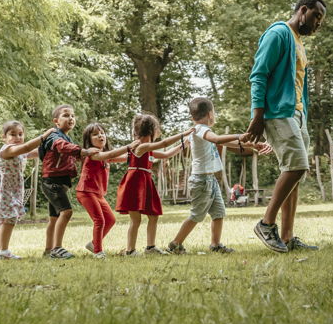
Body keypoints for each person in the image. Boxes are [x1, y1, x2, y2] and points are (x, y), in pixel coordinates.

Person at [243, 0, 326, 253]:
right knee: (297, 165)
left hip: (296, 113)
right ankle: (266, 224)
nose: (318, 23)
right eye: (316, 16)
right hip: (277, 112)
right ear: (303, 10)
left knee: (296, 173)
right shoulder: (278, 33)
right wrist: (258, 115)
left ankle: (288, 236)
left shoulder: (298, 41)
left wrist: (303, 113)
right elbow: (259, 75)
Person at [167, 97, 270, 254]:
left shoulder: (202, 130)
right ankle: (175, 243)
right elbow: (216, 139)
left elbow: (224, 143)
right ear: (210, 114)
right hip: (201, 181)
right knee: (196, 215)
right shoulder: (200, 130)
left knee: (219, 213)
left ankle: (215, 245)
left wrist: (252, 144)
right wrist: (240, 135)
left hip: (210, 180)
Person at [116, 114, 193, 256]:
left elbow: (166, 154)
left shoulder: (148, 148)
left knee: (153, 215)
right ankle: (130, 250)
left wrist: (183, 145)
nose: (160, 132)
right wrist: (184, 133)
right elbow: (164, 144)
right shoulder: (141, 146)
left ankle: (150, 248)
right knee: (136, 219)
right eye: (158, 128)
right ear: (152, 130)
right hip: (135, 184)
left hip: (145, 182)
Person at [0, 122, 55, 260]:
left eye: (20, 134)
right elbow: (27, 147)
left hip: (10, 189)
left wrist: (50, 147)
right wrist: (44, 136)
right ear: (3, 137)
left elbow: (36, 152)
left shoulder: (20, 151)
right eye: (13, 134)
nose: (17, 137)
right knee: (9, 219)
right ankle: (3, 251)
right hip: (3, 190)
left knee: (2, 222)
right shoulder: (7, 150)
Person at [39, 104, 99, 259]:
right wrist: (83, 151)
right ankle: (57, 248)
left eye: (72, 115)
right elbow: (62, 147)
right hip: (52, 181)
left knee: (54, 218)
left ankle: (48, 249)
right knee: (66, 212)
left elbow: (70, 154)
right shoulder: (55, 136)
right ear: (56, 121)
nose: (71, 118)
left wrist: (82, 156)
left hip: (58, 181)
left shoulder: (66, 137)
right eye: (66, 115)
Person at [77, 123, 139, 258]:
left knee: (110, 220)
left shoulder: (105, 156)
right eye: (95, 134)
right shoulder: (93, 153)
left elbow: (125, 158)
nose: (100, 135)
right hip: (86, 192)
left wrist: (141, 153)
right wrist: (129, 146)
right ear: (89, 140)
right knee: (99, 220)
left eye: (102, 133)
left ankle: (93, 244)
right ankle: (98, 251)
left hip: (97, 194)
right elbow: (111, 154)